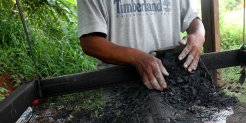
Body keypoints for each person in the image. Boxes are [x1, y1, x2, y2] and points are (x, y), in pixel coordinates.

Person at [77, 0, 205, 91]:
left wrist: (198, 36)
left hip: (171, 80)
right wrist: (136, 58)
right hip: (121, 87)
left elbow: (193, 20)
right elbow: (90, 42)